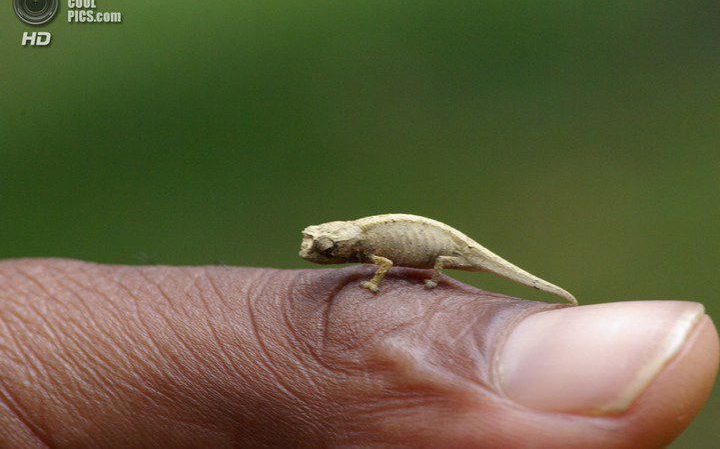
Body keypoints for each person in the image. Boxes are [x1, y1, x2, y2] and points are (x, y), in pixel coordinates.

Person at [0, 259, 716, 447]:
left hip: (433, 250)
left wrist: (386, 278)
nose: (316, 258)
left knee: (474, 283)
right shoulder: (355, 237)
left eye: (326, 253)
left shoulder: (372, 248)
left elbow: (386, 258)